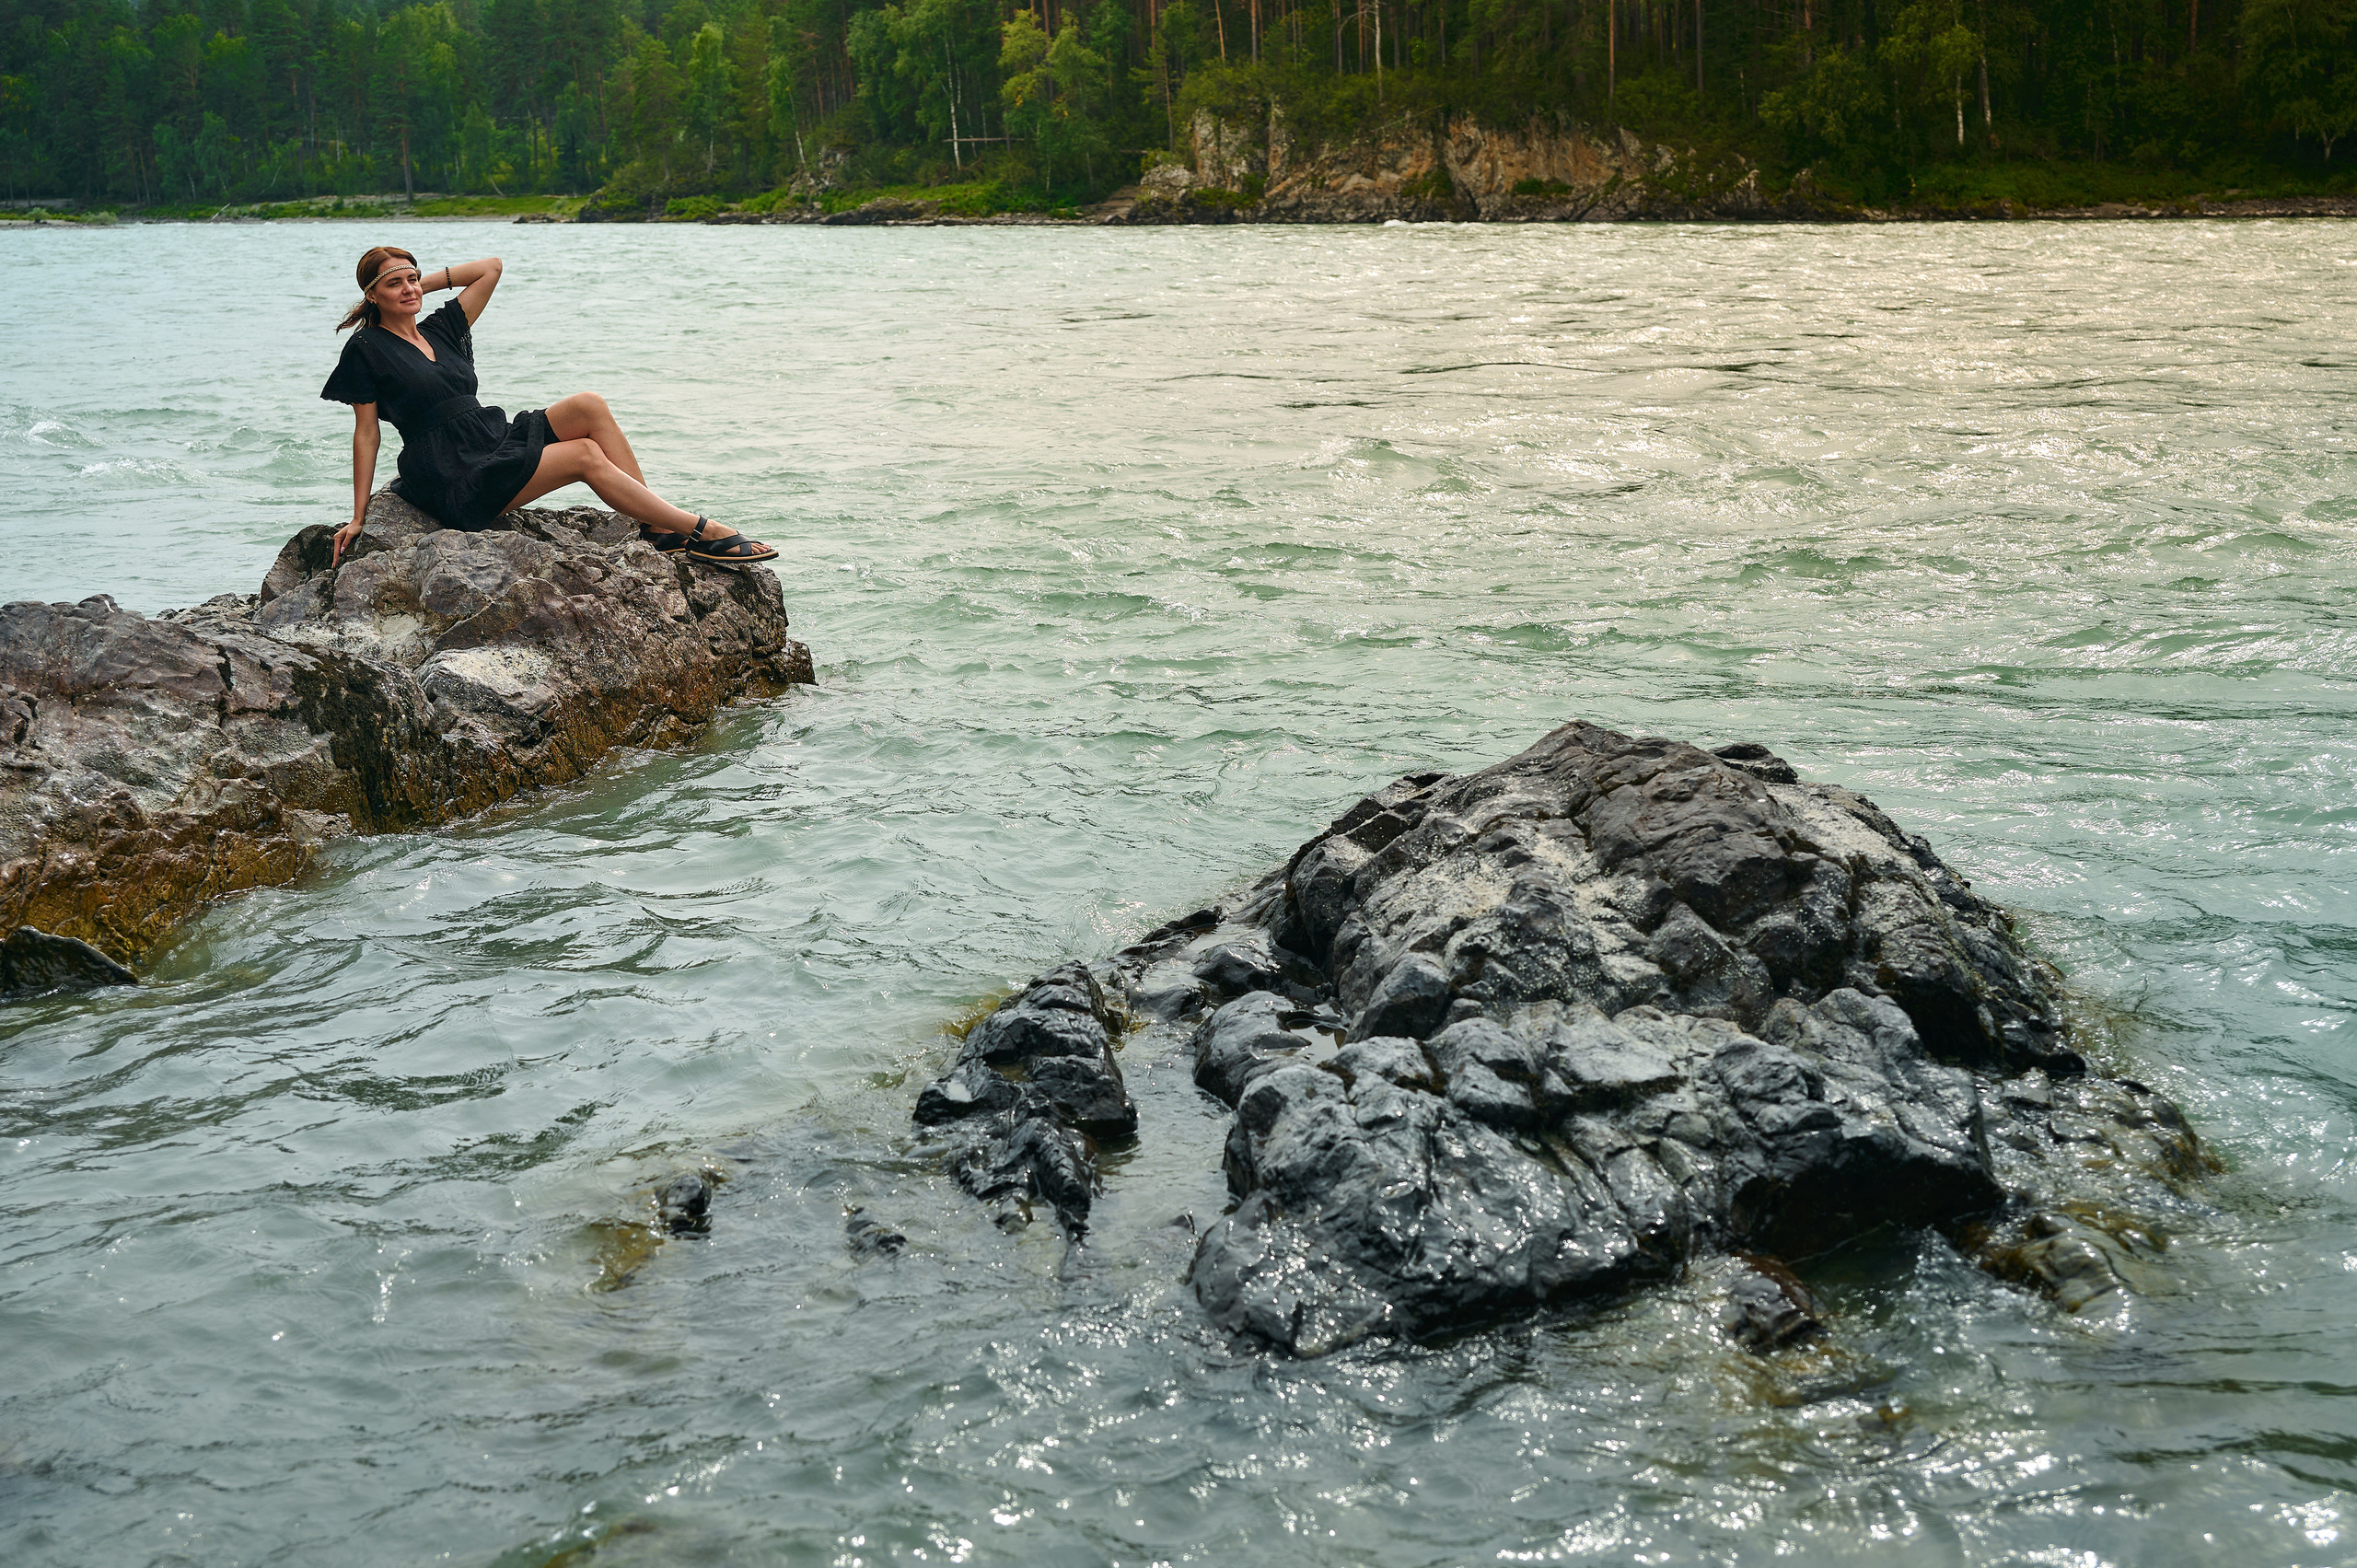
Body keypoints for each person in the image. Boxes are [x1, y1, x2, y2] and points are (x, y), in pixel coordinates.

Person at [320, 245, 776, 569]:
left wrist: (418, 278)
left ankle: (656, 526)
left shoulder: (440, 328)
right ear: (372, 295)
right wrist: (360, 516)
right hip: (451, 470)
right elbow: (367, 433)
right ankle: (702, 530)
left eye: (412, 280)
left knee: (589, 405)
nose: (409, 289)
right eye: (394, 284)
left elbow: (490, 268)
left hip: (488, 438)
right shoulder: (366, 349)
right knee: (583, 455)